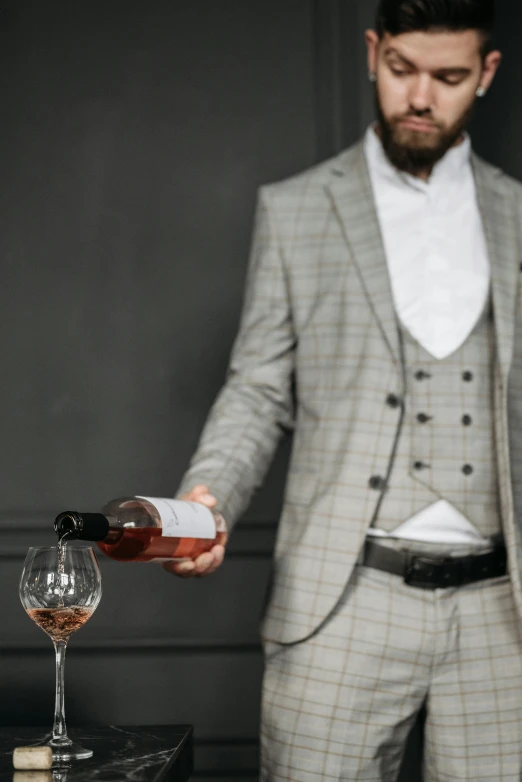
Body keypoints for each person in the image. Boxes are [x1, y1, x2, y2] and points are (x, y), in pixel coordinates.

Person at [165, 1, 522, 779]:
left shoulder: (519, 214)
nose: (420, 97)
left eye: (449, 76)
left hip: (506, 615)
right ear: (372, 53)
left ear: (487, 74)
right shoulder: (296, 211)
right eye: (401, 70)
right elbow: (259, 388)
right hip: (345, 601)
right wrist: (206, 495)